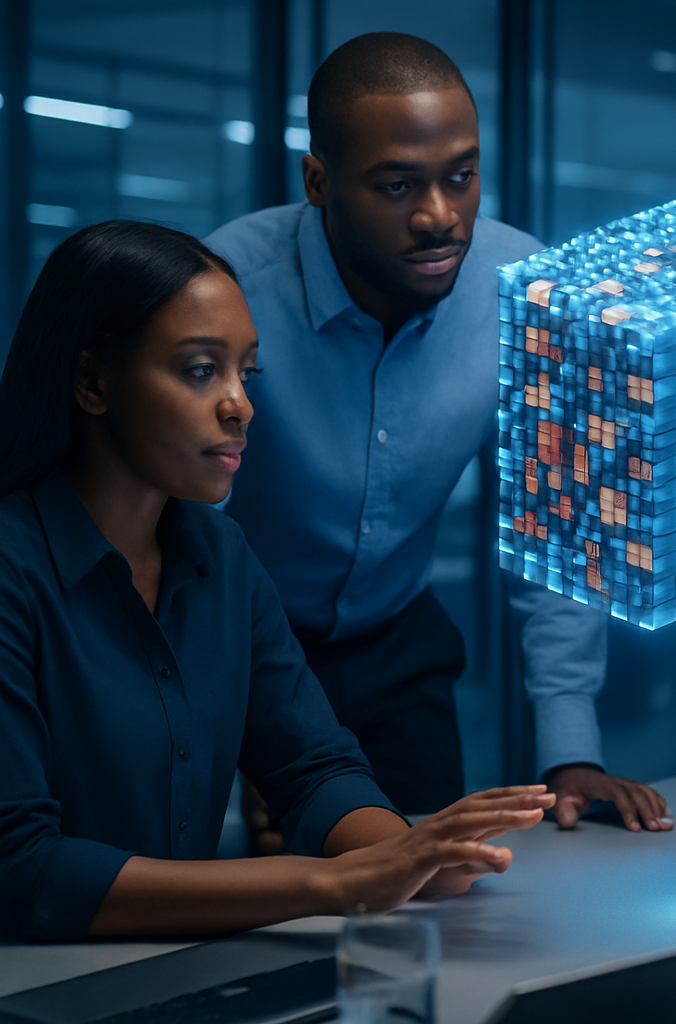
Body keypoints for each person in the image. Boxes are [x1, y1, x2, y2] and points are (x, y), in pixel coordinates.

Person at [0, 220, 556, 941]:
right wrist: (339, 881)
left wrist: (410, 855)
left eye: (246, 372)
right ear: (93, 383)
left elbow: (314, 766)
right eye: (201, 370)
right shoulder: (14, 569)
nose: (240, 405)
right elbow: (20, 868)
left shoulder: (221, 555)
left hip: (175, 975)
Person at [204, 33, 669, 835]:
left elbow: (558, 529)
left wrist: (570, 751)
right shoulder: (229, 290)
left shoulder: (527, 293)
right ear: (318, 182)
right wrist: (249, 725)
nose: (439, 216)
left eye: (461, 176)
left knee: (435, 902)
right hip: (235, 642)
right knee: (259, 919)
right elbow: (173, 527)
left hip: (397, 646)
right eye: (396, 186)